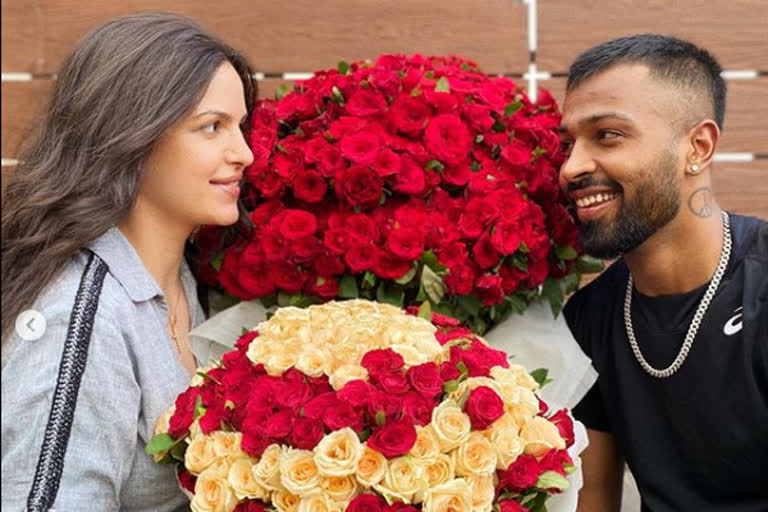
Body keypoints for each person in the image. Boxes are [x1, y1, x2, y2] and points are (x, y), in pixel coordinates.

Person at [1, 13, 255, 511]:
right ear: (134, 134)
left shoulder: (184, 276)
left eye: (240, 127)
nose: (243, 152)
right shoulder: (80, 318)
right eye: (212, 127)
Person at [558, 34, 768, 511]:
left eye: (607, 135)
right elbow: (592, 499)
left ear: (698, 146)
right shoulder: (591, 317)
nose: (571, 167)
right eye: (568, 143)